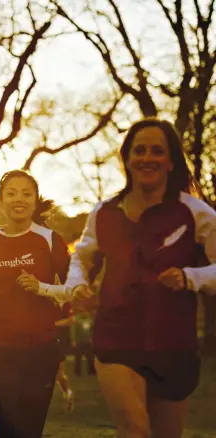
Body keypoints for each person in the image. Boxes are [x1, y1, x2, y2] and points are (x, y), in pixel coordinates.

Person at [66, 118, 216, 438]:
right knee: (135, 429)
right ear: (127, 159)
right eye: (140, 150)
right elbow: (81, 258)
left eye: (157, 151)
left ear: (171, 161)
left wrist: (191, 277)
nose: (148, 158)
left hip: (174, 344)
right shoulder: (104, 212)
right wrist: (78, 285)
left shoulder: (195, 213)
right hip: (116, 337)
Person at [0, 169, 71, 438]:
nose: (18, 199)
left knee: (29, 429)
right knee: (6, 427)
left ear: (35, 200)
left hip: (41, 349)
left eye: (26, 193)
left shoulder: (49, 240)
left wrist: (41, 288)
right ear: (1, 201)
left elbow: (74, 289)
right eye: (11, 193)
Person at [54, 303, 74, 412]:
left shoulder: (66, 303)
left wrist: (52, 324)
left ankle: (67, 394)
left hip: (59, 342)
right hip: (42, 340)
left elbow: (72, 320)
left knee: (59, 374)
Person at [71, 311, 95, 376]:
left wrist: (92, 338)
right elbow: (73, 329)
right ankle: (77, 371)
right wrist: (73, 339)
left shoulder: (90, 318)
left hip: (87, 340)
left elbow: (92, 329)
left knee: (90, 356)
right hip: (79, 340)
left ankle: (91, 370)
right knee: (78, 357)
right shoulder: (76, 319)